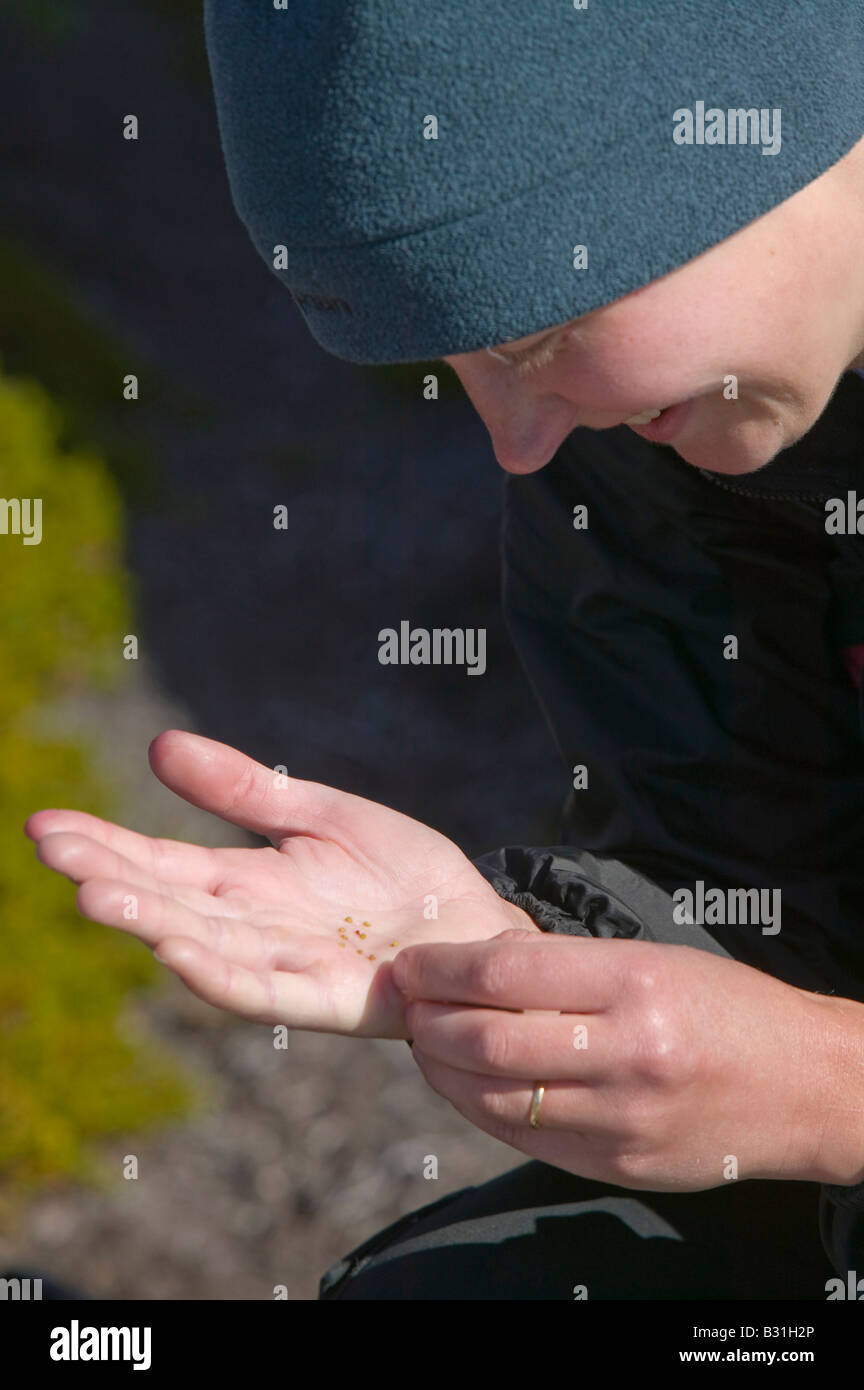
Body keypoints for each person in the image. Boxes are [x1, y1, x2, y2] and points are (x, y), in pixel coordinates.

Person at [24, 1, 864, 1298]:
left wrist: (824, 1087)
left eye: (531, 334)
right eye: (455, 362)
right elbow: (763, 897)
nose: (516, 441)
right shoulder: (644, 440)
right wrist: (494, 940)